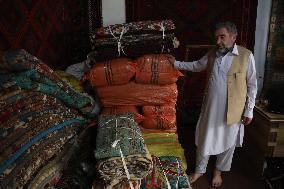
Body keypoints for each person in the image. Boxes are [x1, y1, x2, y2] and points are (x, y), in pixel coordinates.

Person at [173, 21, 257, 187]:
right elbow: (197, 66)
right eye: (216, 37)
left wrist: (249, 110)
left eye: (222, 37)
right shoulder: (213, 53)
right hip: (211, 107)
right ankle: (200, 170)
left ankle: (218, 171)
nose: (218, 41)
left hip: (233, 109)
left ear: (233, 37)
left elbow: (252, 84)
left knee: (228, 140)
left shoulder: (246, 56)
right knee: (206, 138)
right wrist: (175, 64)